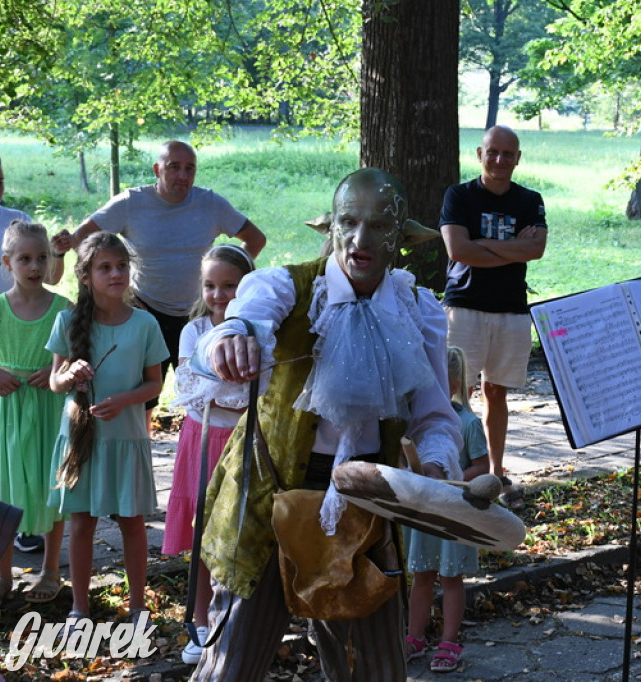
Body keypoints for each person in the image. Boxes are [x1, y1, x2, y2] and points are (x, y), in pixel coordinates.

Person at [187, 168, 463, 681]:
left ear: (401, 238)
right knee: (231, 666)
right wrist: (230, 336)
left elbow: (433, 417)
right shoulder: (284, 288)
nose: (361, 239)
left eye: (379, 226)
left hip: (363, 505)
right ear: (331, 226)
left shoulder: (416, 309)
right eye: (349, 222)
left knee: (372, 672)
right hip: (269, 501)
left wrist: (440, 469)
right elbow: (244, 319)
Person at [53, 140, 266, 430]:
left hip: (200, 316)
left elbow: (256, 239)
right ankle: (141, 457)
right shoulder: (131, 203)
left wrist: (226, 277)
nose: (182, 175)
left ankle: (207, 461)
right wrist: (115, 287)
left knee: (208, 396)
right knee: (144, 399)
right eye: (173, 167)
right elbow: (82, 240)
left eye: (189, 168)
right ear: (157, 169)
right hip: (146, 310)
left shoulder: (211, 204)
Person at [47, 231, 168, 621]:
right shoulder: (67, 321)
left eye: (121, 266)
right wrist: (70, 374)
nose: (116, 273)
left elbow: (155, 383)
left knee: (132, 522)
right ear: (86, 276)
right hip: (81, 439)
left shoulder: (145, 324)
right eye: (105, 267)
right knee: (81, 522)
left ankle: (137, 608)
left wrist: (124, 401)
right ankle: (79, 609)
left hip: (126, 437)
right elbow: (54, 382)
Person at [440, 124, 547, 509]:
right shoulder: (459, 196)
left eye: (508, 153)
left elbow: (536, 251)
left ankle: (496, 474)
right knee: (457, 394)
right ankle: (455, 472)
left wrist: (482, 243)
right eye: (493, 152)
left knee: (496, 392)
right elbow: (458, 249)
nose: (500, 160)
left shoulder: (529, 200)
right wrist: (510, 247)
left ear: (517, 158)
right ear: (479, 154)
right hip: (465, 305)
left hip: (510, 309)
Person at [161, 244, 255, 663]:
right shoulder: (194, 331)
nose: (219, 295)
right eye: (211, 285)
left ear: (247, 286)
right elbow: (192, 392)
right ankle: (199, 621)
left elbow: (256, 393)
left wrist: (230, 392)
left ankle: (237, 619)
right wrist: (229, 391)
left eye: (230, 285)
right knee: (200, 534)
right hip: (201, 442)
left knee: (237, 531)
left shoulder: (258, 331)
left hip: (244, 442)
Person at [0, 221, 69, 607]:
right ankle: (3, 574)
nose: (34, 266)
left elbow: (78, 351)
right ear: (7, 262)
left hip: (47, 410)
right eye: (25, 258)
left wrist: (58, 368)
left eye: (42, 257)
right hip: (5, 411)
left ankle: (51, 568)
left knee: (50, 487)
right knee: (4, 492)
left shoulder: (62, 308)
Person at [405, 345, 489, 673]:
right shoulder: (416, 423)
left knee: (451, 578)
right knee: (421, 575)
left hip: (455, 514)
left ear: (452, 385)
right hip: (424, 514)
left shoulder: (468, 423)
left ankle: (450, 640)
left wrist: (451, 480)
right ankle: (415, 637)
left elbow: (483, 466)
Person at [0, 152, 65, 295]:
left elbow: (50, 277)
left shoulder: (17, 222)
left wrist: (57, 254)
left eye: (0, 182)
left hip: (15, 315)